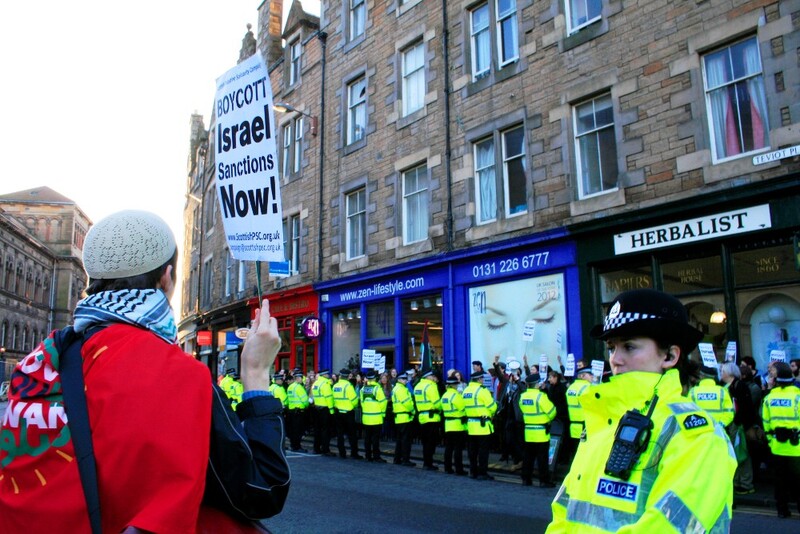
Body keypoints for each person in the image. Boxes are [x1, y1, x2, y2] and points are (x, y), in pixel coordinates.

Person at [0, 209, 290, 533]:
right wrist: (255, 374)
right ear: (166, 277)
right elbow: (263, 490)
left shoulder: (41, 362)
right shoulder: (181, 376)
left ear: (92, 279)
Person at [548, 289, 736, 532]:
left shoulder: (698, 436)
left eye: (629, 346)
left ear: (669, 356)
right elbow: (564, 511)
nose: (615, 359)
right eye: (611, 347)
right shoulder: (605, 422)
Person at [760, 362, 800, 518]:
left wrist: (771, 441)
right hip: (796, 446)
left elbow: (765, 421)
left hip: (777, 445)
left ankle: (782, 510)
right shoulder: (797, 396)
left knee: (780, 481)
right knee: (798, 481)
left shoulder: (770, 397)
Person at [720, 362, 758, 494]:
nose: (721, 373)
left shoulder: (739, 386)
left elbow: (745, 407)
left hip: (738, 424)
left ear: (730, 373)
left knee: (742, 453)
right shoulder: (725, 386)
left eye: (723, 371)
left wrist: (739, 422)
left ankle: (746, 483)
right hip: (730, 424)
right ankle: (737, 481)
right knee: (733, 453)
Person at [517, 373, 556, 487]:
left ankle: (526, 479)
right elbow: (552, 411)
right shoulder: (541, 396)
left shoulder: (523, 396)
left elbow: (522, 409)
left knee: (528, 457)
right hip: (541, 432)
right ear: (537, 384)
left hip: (528, 431)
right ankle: (543, 481)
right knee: (542, 459)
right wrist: (547, 419)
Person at [463, 369, 497, 480]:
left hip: (470, 426)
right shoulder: (482, 390)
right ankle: (482, 473)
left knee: (472, 451)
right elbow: (492, 406)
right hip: (482, 427)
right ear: (479, 379)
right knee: (483, 451)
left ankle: (473, 471)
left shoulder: (466, 390)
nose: (483, 380)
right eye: (482, 378)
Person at [564, 367, 594, 463]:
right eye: (591, 375)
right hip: (585, 425)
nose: (593, 378)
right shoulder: (588, 388)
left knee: (575, 453)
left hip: (573, 425)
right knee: (584, 455)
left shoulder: (571, 387)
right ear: (583, 376)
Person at [414, 370, 442, 470]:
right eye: (433, 376)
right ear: (428, 377)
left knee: (425, 442)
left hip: (422, 417)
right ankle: (429, 464)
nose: (434, 378)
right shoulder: (431, 386)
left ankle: (426, 462)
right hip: (432, 417)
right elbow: (437, 403)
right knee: (431, 442)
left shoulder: (418, 386)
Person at [441, 376, 468, 475]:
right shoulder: (456, 396)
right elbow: (463, 408)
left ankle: (447, 468)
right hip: (457, 425)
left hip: (448, 424)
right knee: (458, 449)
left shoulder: (444, 396)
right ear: (454, 385)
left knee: (448, 448)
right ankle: (459, 469)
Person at [332, 368, 361, 459]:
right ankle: (354, 453)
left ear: (340, 376)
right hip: (348, 413)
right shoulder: (348, 386)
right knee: (352, 434)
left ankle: (342, 452)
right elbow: (354, 401)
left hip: (338, 412)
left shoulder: (335, 386)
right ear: (348, 377)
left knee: (340, 434)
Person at [360, 370, 387, 462]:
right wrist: (382, 413)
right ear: (375, 378)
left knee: (367, 438)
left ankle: (368, 456)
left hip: (366, 418)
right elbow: (383, 402)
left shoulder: (363, 389)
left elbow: (362, 403)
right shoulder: (377, 389)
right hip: (376, 418)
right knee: (375, 439)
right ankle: (376, 456)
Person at [392, 372, 416, 466]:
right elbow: (407, 403)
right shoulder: (401, 389)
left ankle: (397, 459)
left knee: (399, 440)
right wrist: (413, 411)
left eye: (406, 379)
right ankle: (405, 459)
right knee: (406, 441)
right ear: (399, 380)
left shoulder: (396, 388)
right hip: (405, 417)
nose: (405, 380)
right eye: (404, 379)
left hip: (399, 417)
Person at [311, 369, 334, 456]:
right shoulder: (325, 384)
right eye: (327, 374)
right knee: (325, 430)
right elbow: (329, 398)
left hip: (316, 408)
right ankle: (325, 449)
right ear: (324, 375)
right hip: (325, 409)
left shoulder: (315, 384)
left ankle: (316, 448)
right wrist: (331, 410)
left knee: (317, 430)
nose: (328, 375)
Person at [286, 371, 310, 452]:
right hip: (299, 412)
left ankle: (293, 445)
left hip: (291, 411)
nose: (302, 380)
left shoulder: (290, 387)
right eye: (302, 378)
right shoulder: (299, 387)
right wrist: (307, 405)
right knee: (298, 431)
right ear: (298, 378)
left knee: (293, 430)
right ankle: (297, 447)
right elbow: (305, 400)